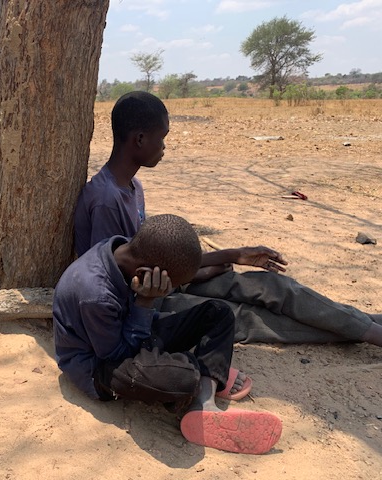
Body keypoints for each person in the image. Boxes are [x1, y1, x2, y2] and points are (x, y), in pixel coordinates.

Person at [74, 90, 382, 347]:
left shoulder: (133, 187)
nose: (165, 146)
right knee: (245, 318)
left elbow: (154, 254)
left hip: (172, 281)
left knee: (272, 286)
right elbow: (125, 280)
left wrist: (229, 257)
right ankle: (363, 329)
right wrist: (197, 273)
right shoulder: (106, 200)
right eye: (162, 137)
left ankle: (358, 320)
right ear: (140, 139)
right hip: (149, 299)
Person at [53, 214, 282, 454]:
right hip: (99, 365)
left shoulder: (125, 248)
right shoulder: (96, 295)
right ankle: (205, 379)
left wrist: (232, 255)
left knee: (218, 313)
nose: (170, 290)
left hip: (131, 330)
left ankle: (204, 399)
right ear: (145, 274)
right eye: (169, 285)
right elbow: (115, 354)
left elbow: (174, 260)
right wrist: (145, 300)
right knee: (183, 377)